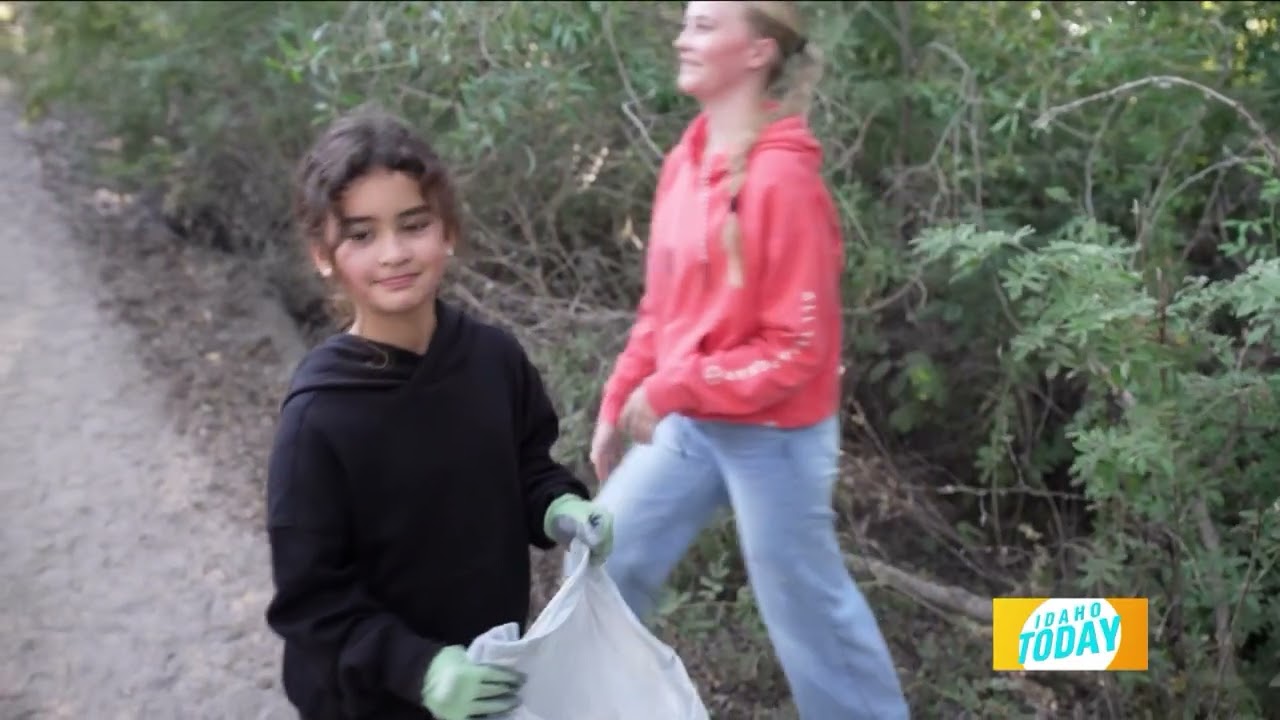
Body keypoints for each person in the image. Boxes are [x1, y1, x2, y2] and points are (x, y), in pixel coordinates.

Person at [588, 2, 910, 718]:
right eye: (686, 22)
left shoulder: (783, 180)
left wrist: (671, 387)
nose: (683, 38)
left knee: (808, 614)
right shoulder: (685, 160)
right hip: (694, 420)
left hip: (776, 434)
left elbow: (798, 349)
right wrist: (621, 394)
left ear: (759, 50)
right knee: (606, 559)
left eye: (705, 25)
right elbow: (662, 308)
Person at [263, 107, 614, 720]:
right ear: (323, 253)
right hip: (371, 703)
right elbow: (311, 602)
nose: (394, 253)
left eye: (414, 224)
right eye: (362, 235)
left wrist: (559, 506)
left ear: (447, 229)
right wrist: (418, 669)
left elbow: (525, 467)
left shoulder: (493, 359)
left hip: (489, 676)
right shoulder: (319, 417)